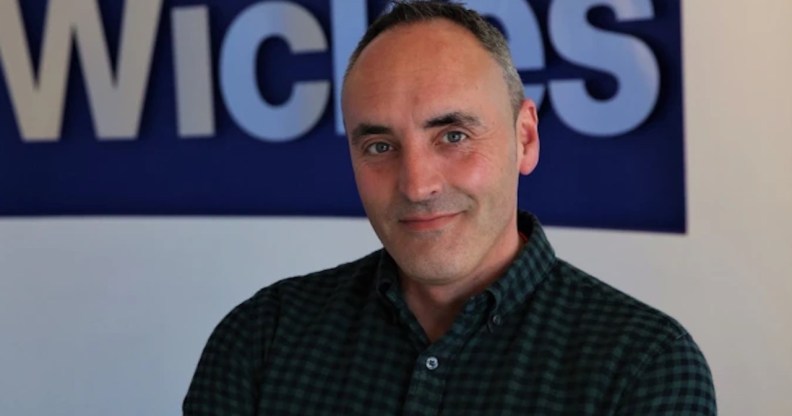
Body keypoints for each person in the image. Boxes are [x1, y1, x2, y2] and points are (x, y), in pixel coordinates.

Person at [184, 1, 716, 414]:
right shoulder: (262, 339)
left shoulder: (643, 365)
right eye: (379, 146)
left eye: (454, 135)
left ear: (525, 138)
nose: (416, 185)